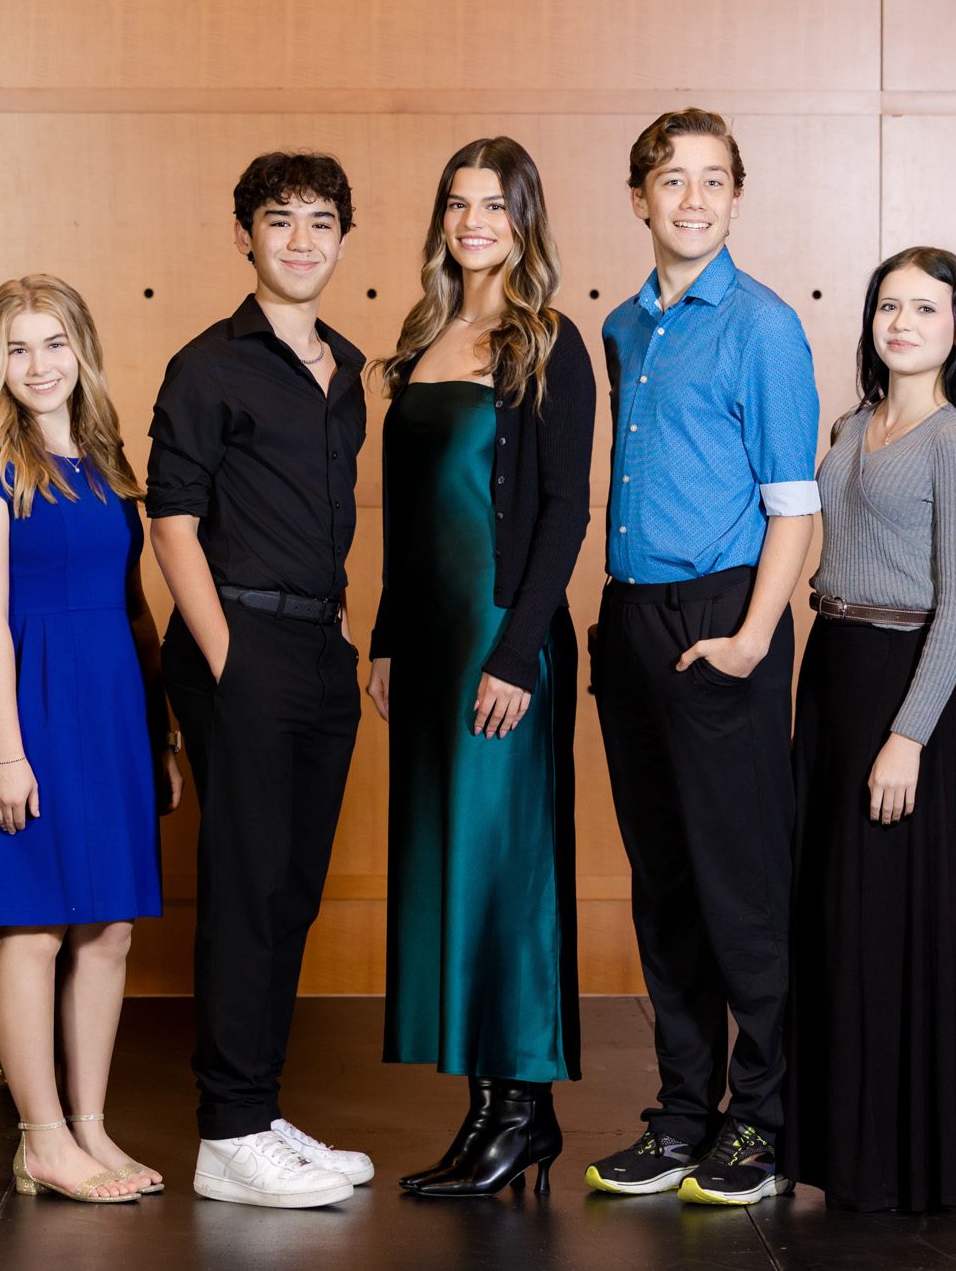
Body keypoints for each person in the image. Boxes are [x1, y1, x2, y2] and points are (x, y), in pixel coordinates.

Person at [583, 110, 820, 1206]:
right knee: (663, 887)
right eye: (670, 180)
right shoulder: (625, 326)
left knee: (739, 887)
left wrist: (753, 638)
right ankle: (684, 1113)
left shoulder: (763, 327)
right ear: (637, 197)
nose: (691, 199)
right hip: (632, 623)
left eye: (712, 181)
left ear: (734, 197)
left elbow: (791, 504)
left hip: (724, 620)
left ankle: (761, 1123)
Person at [147, 151, 376, 1209]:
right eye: (278, 221)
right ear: (244, 234)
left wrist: (339, 634)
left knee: (288, 893)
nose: (299, 240)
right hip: (235, 645)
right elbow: (172, 522)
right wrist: (225, 657)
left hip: (317, 651)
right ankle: (225, 1129)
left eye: (319, 222)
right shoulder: (207, 366)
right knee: (243, 890)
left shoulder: (347, 367)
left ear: (341, 238)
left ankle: (258, 1108)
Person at [365, 136, 594, 1197]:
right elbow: (404, 517)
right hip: (430, 646)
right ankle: (483, 1117)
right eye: (456, 204)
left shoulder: (548, 341)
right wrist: (384, 637)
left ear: (524, 220)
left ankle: (524, 1112)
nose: (471, 223)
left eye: (493, 207)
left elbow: (561, 513)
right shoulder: (420, 336)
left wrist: (513, 654)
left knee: (506, 874)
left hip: (504, 645)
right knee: (451, 869)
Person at [0, 275, 181, 1204]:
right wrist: (5, 750)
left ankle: (89, 1125)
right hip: (27, 706)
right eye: (18, 348)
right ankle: (39, 1139)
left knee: (108, 926)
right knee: (34, 925)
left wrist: (161, 737)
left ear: (82, 350)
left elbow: (133, 607)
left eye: (54, 344)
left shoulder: (108, 462)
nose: (38, 365)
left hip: (110, 705)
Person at [784, 246, 956, 1214]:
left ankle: (888, 1161)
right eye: (887, 306)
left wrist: (907, 736)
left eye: (924, 307)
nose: (901, 322)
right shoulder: (848, 424)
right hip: (827, 665)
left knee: (881, 921)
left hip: (898, 683)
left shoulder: (953, 442)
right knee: (820, 912)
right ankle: (819, 1146)